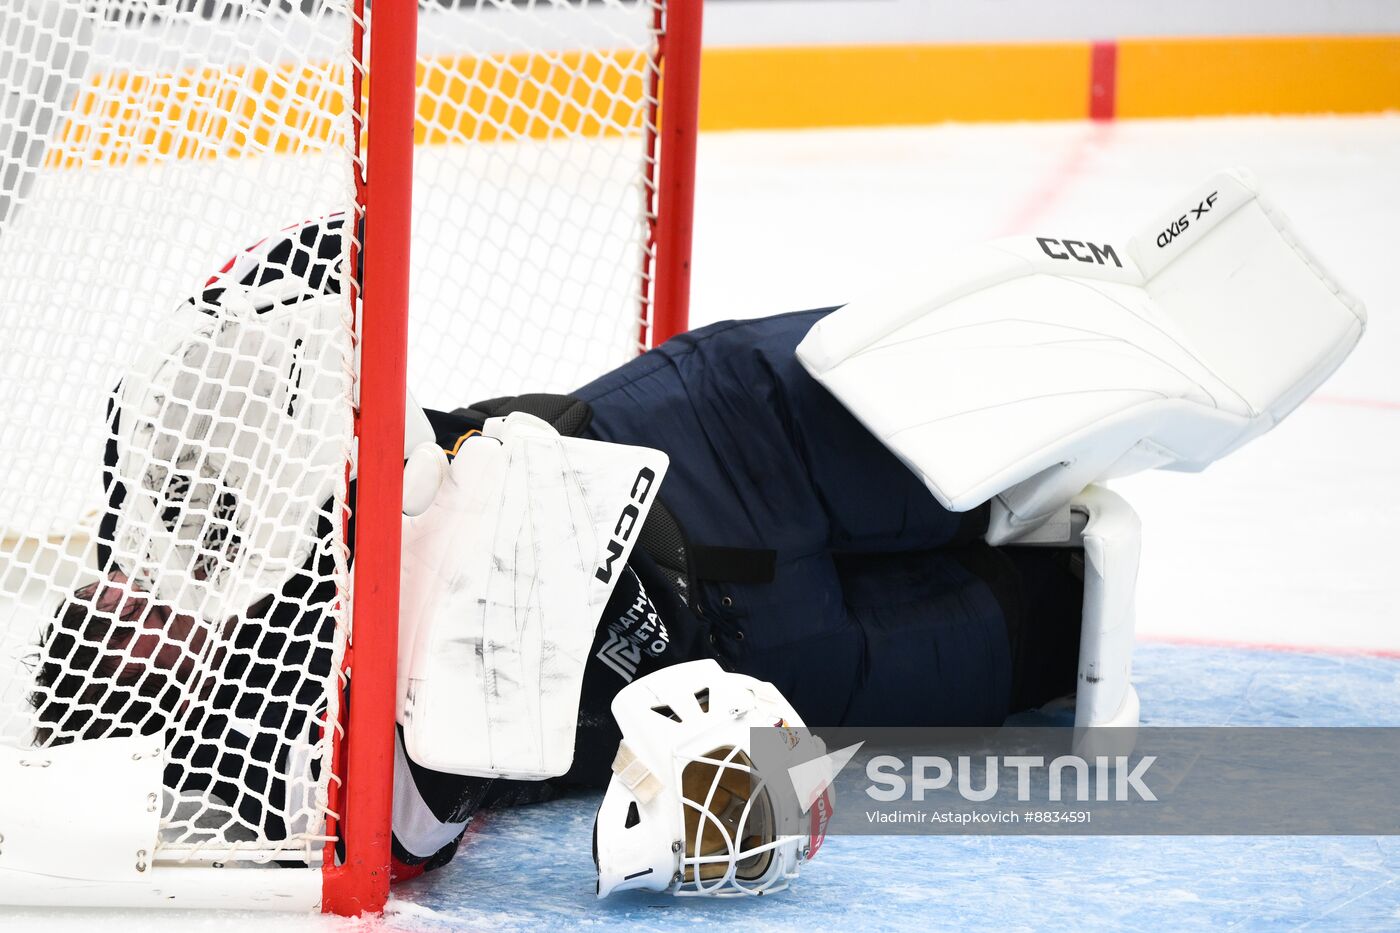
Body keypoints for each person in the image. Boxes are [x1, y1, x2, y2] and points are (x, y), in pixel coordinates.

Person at [26, 218, 1085, 877]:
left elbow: (325, 250)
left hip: (703, 445)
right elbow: (410, 838)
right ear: (142, 702)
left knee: (1043, 394)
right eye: (127, 641)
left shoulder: (226, 492)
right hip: (747, 675)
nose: (141, 613)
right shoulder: (267, 763)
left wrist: (204, 339)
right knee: (1063, 626)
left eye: (118, 600)